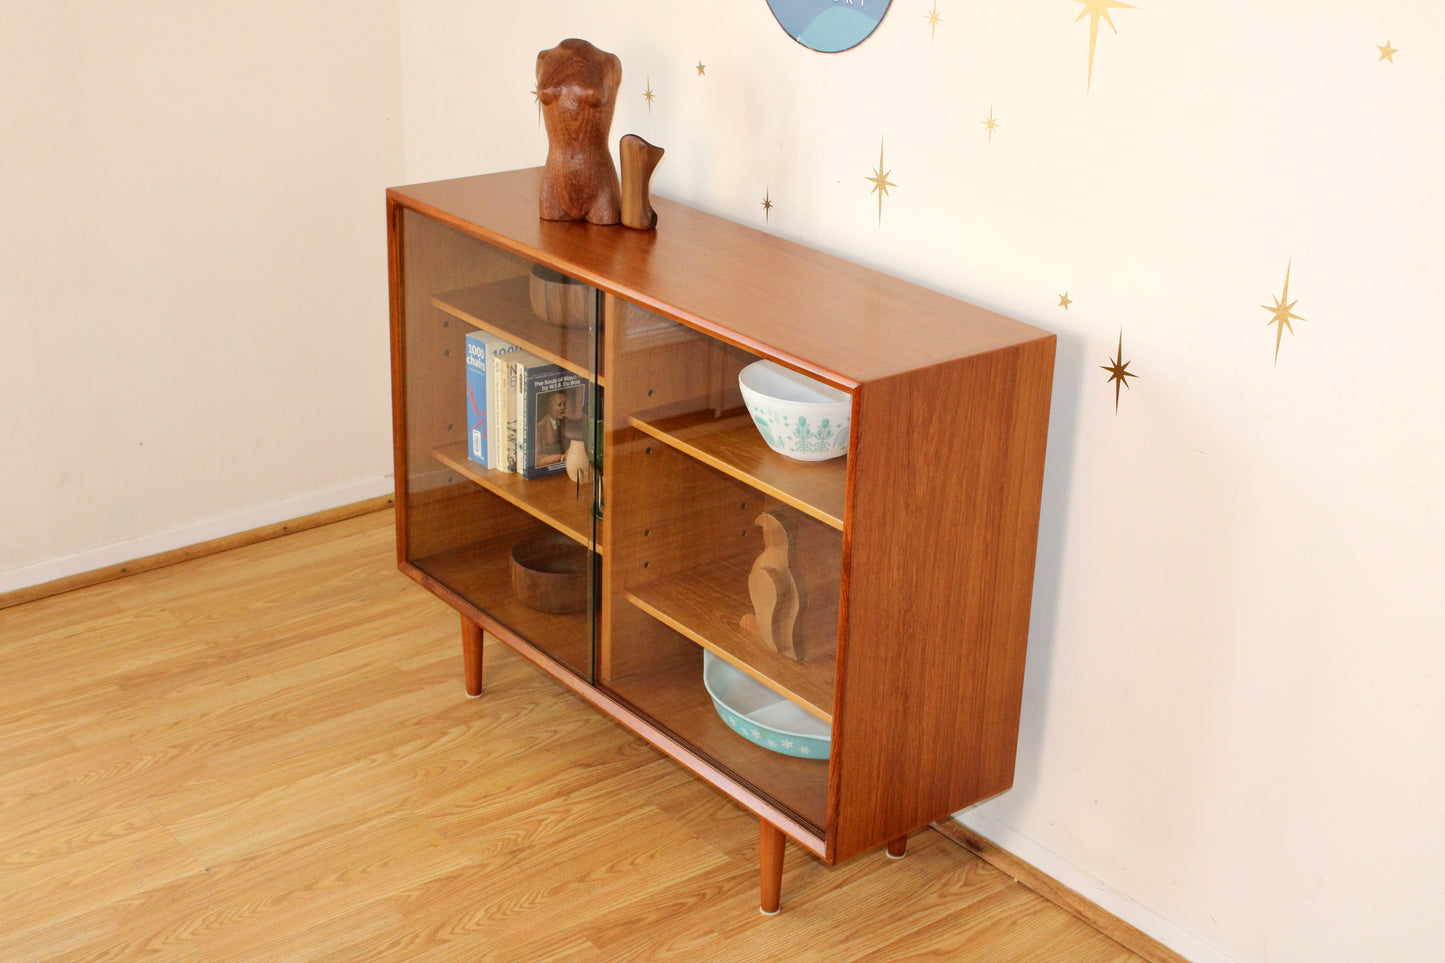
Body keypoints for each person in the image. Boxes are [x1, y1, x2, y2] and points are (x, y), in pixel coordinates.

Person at [534, 390, 569, 467]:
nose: (563, 408)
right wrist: (562, 457)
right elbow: (536, 458)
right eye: (559, 404)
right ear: (550, 407)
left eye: (565, 404)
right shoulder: (539, 428)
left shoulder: (567, 423)